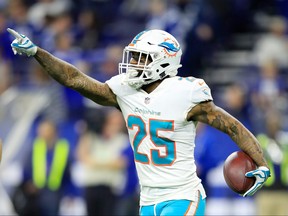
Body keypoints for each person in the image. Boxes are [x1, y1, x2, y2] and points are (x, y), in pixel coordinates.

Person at [7, 28, 270, 215]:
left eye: (140, 58)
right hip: (148, 198)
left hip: (181, 195)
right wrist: (38, 53)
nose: (132, 63)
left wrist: (260, 162)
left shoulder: (185, 93)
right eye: (133, 56)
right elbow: (75, 80)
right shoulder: (125, 89)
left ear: (163, 62)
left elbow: (232, 125)